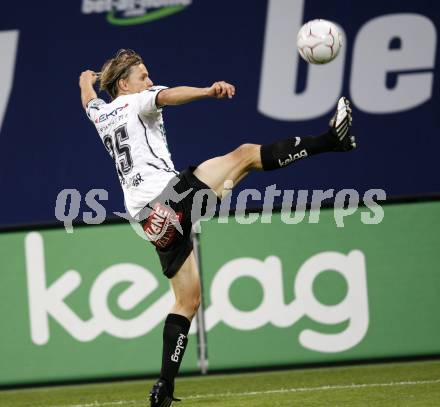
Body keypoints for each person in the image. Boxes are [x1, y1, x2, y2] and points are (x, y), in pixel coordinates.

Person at [79, 49, 355, 407]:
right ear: (123, 84)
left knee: (187, 301)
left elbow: (89, 101)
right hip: (170, 198)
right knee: (243, 156)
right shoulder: (137, 101)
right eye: (143, 75)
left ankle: (164, 386)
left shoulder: (101, 116)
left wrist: (86, 81)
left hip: (149, 221)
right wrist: (209, 91)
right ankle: (332, 140)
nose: (149, 81)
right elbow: (168, 95)